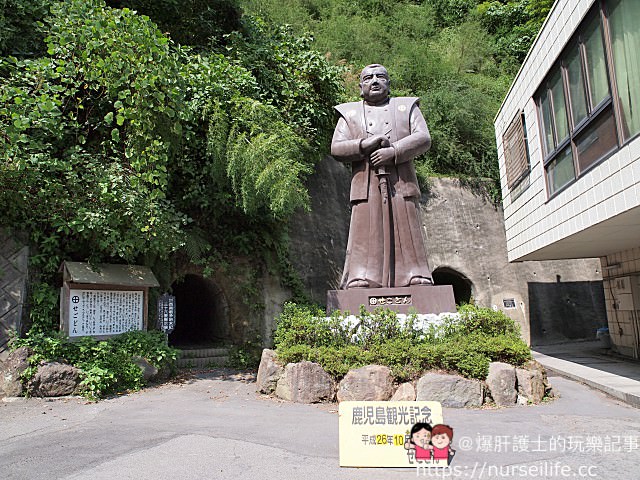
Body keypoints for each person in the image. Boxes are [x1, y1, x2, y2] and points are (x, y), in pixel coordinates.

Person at [331, 64, 433, 289]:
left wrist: (394, 152)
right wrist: (363, 144)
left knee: (407, 225)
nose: (374, 80)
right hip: (366, 183)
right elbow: (337, 148)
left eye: (380, 77)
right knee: (366, 229)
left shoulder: (406, 108)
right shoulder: (350, 113)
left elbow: (423, 137)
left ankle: (415, 274)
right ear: (360, 86)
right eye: (368, 78)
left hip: (400, 180)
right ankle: (362, 276)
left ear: (388, 83)